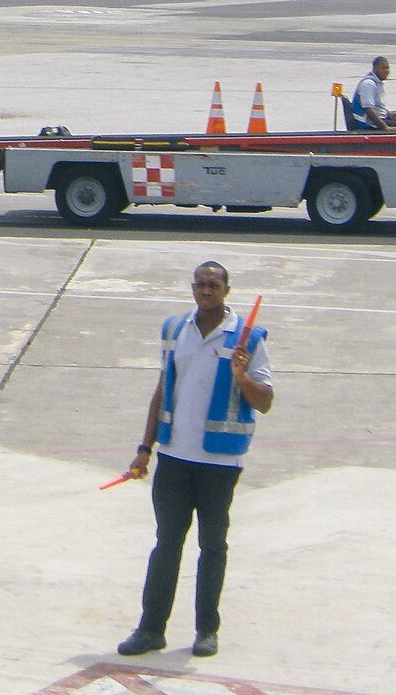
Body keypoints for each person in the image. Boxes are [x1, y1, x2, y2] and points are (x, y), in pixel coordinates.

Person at [117, 261, 274, 661]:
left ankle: (207, 630)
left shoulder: (248, 338)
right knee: (166, 543)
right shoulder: (174, 329)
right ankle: (151, 629)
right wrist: (144, 448)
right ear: (192, 289)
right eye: (200, 284)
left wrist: (242, 377)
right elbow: (162, 388)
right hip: (173, 458)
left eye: (214, 284)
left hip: (220, 461)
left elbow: (266, 401)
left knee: (212, 545)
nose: (206, 290)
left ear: (226, 290)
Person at [351, 55, 396, 130]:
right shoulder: (369, 84)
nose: (386, 71)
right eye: (383, 68)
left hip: (378, 119)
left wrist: (389, 113)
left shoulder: (377, 82)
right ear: (374, 69)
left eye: (387, 68)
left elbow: (377, 106)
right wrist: (385, 127)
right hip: (369, 125)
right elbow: (368, 109)